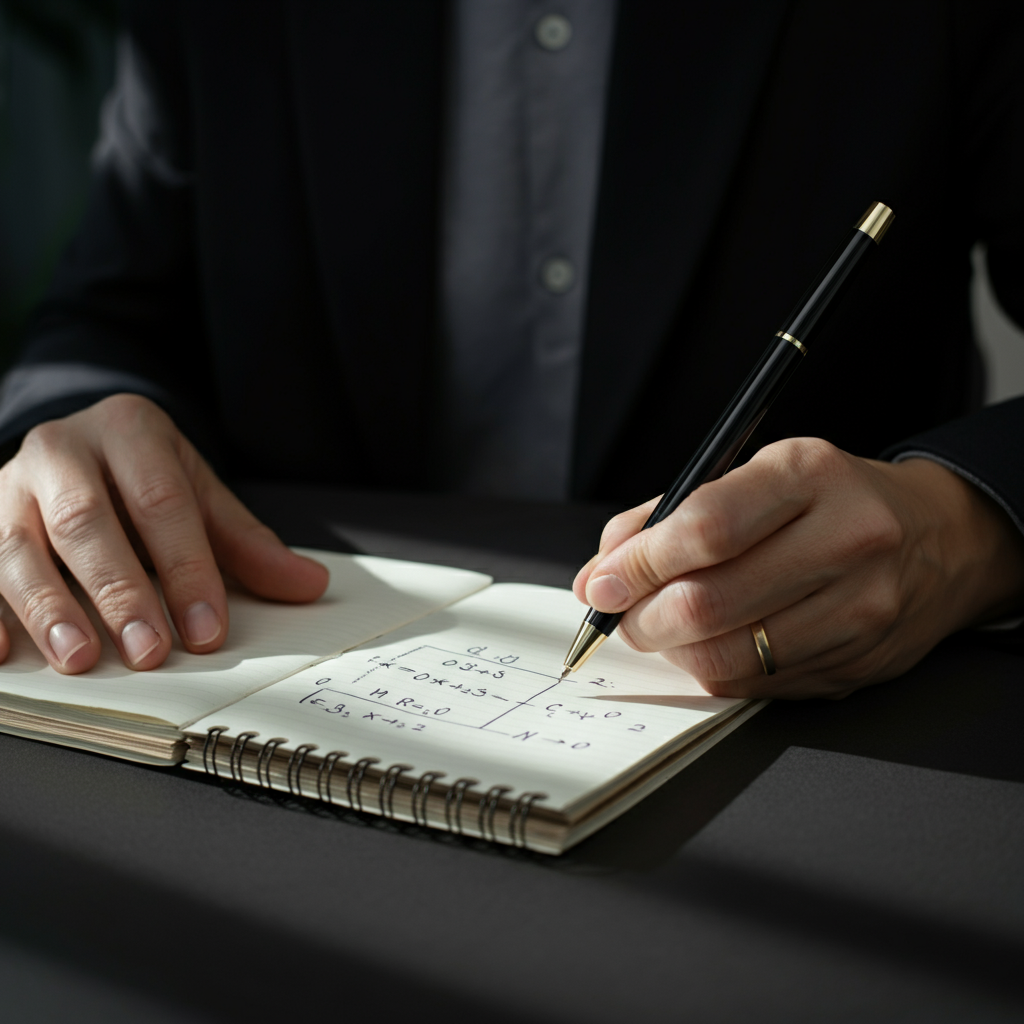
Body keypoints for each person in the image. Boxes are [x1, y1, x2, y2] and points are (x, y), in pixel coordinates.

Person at [0, 0, 1021, 698]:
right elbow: (109, 315)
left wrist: (961, 530)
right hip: (282, 686)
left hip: (842, 734)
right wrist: (69, 435)